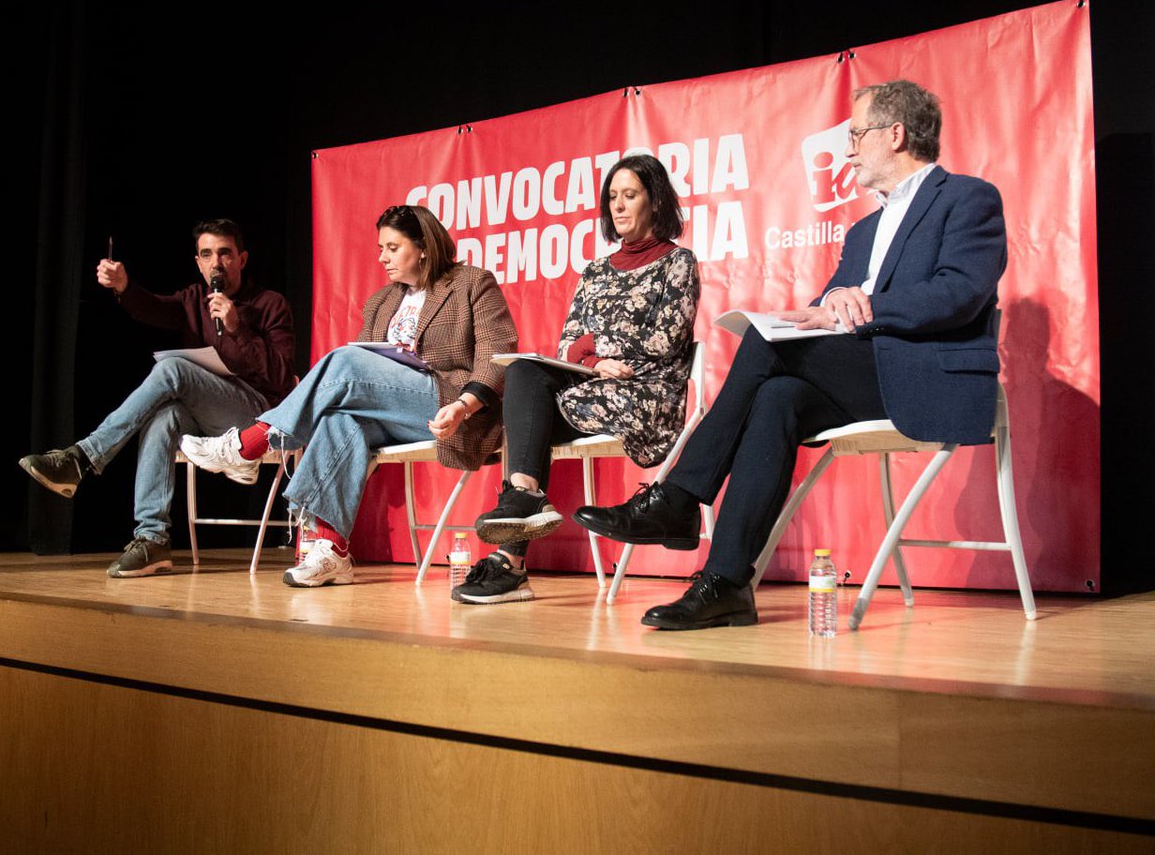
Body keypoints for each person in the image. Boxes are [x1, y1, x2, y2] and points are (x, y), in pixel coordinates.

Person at [575, 80, 1008, 630]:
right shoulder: (865, 229)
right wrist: (813, 310)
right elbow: (831, 304)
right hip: (863, 373)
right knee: (777, 395)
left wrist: (865, 305)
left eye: (856, 135)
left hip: (926, 373)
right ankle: (726, 583)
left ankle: (679, 497)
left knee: (764, 347)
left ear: (895, 135)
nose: (848, 149)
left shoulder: (967, 198)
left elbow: (960, 292)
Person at [180, 205, 518, 588]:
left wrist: (464, 404)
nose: (382, 258)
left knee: (345, 360)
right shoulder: (381, 302)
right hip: (395, 415)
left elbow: (498, 353)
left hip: (450, 404)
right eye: (380, 248)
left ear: (423, 247)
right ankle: (332, 549)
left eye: (392, 247)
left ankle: (251, 443)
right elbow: (363, 375)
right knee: (340, 418)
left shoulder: (471, 282)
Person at [452, 154, 700, 605]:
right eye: (612, 197)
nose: (618, 207)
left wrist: (595, 350)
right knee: (525, 371)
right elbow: (568, 343)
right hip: (595, 389)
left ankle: (512, 560)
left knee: (530, 415)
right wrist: (591, 357)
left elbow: (664, 339)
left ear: (655, 200)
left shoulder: (678, 263)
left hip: (647, 395)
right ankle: (522, 502)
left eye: (630, 196)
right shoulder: (595, 271)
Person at [19, 218, 296, 578]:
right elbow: (151, 307)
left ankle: (82, 457)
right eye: (207, 254)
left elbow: (282, 375)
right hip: (208, 416)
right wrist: (124, 285)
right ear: (198, 262)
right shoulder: (193, 299)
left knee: (173, 370)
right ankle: (152, 540)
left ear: (242, 259)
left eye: (225, 253)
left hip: (258, 418)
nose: (217, 263)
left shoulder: (271, 304)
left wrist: (236, 328)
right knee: (163, 416)